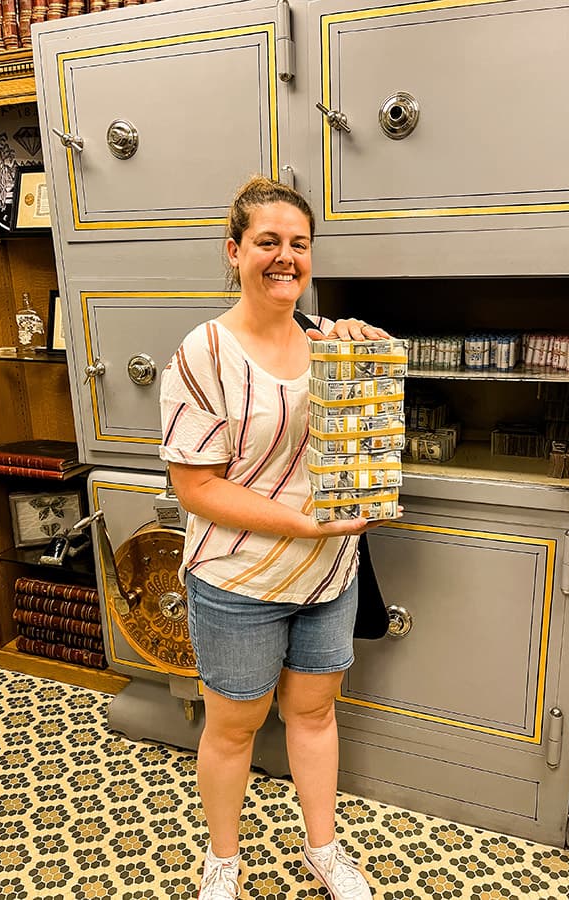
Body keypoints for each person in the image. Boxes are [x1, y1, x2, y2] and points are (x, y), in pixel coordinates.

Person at [159, 175, 394, 900]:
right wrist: (301, 523)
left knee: (315, 713)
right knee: (233, 729)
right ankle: (222, 864)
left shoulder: (331, 342)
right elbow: (195, 487)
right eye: (267, 242)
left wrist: (369, 354)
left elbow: (366, 431)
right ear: (234, 252)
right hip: (238, 581)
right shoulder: (202, 353)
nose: (284, 257)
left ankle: (322, 850)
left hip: (328, 576)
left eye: (298, 244)